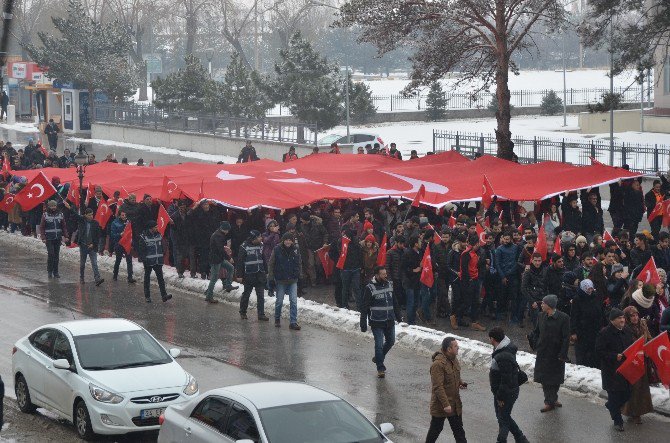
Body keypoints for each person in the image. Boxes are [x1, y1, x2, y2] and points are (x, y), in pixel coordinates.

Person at [596, 308, 636, 432]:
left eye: (623, 318)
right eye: (619, 318)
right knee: (614, 395)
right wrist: (614, 356)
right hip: (611, 371)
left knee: (627, 394)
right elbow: (599, 351)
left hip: (625, 370)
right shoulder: (604, 333)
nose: (623, 320)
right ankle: (618, 421)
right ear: (612, 320)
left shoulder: (627, 331)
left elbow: (632, 346)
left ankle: (611, 405)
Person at [488, 327, 530, 443]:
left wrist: (500, 397)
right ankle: (521, 439)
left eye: (490, 338)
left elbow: (505, 380)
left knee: (503, 419)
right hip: (507, 391)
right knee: (503, 416)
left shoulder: (502, 356)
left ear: (493, 339)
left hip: (506, 393)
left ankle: (505, 440)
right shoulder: (504, 349)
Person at [360, 266, 402, 378]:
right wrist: (363, 322)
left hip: (389, 320)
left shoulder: (389, 284)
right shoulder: (370, 288)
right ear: (377, 275)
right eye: (383, 274)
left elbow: (395, 301)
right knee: (378, 345)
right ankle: (380, 368)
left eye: (385, 273)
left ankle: (378, 357)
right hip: (377, 321)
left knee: (391, 341)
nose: (385, 276)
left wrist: (398, 316)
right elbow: (364, 307)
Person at [532, 294, 570, 412]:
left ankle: (552, 398)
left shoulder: (564, 318)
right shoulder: (540, 316)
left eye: (543, 303)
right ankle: (549, 401)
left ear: (549, 305)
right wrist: (533, 341)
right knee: (544, 378)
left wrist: (563, 353)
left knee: (555, 378)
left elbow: (565, 338)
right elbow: (537, 332)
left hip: (556, 353)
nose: (541, 305)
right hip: (543, 352)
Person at [425, 337, 468, 443]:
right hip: (441, 406)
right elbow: (438, 387)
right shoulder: (438, 364)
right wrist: (446, 404)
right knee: (435, 431)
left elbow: (454, 375)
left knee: (459, 433)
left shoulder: (453, 358)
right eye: (455, 346)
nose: (458, 348)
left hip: (455, 404)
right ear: (449, 349)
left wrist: (460, 383)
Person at [621, 306, 653, 424]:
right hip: (632, 361)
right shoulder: (624, 328)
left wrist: (649, 345)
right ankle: (632, 412)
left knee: (642, 388)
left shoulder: (643, 325)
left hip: (643, 360)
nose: (635, 318)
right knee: (633, 388)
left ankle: (640, 411)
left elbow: (648, 338)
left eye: (636, 315)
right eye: (632, 316)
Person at [269, 233, 302, 330]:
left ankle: (293, 322)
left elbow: (299, 262)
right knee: (279, 301)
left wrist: (299, 274)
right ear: (283, 240)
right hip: (281, 280)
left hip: (292, 279)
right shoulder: (277, 249)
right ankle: (277, 318)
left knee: (293, 301)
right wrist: (271, 278)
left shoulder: (296, 249)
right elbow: (271, 264)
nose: (288, 242)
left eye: (290, 240)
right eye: (286, 240)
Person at [235, 230, 269, 321]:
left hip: (260, 273)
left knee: (261, 295)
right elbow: (240, 261)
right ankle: (243, 312)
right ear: (254, 238)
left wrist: (266, 271)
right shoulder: (244, 246)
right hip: (249, 274)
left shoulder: (261, 245)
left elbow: (264, 258)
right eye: (259, 237)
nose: (261, 238)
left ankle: (261, 314)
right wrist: (239, 275)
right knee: (246, 294)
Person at [569, 279, 602, 368]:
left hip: (595, 330)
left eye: (591, 289)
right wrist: (573, 331)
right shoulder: (577, 299)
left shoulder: (595, 297)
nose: (590, 291)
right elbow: (574, 316)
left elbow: (600, 312)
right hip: (582, 331)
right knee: (583, 354)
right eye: (588, 289)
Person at [137, 220, 172, 303]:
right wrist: (144, 259)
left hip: (158, 261)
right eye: (155, 227)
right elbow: (141, 250)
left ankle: (164, 295)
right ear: (151, 228)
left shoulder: (159, 234)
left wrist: (163, 252)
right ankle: (147, 296)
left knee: (160, 279)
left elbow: (163, 243)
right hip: (148, 261)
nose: (157, 228)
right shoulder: (144, 237)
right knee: (147, 279)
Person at [459, 235, 486, 331]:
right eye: (477, 243)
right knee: (467, 302)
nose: (479, 245)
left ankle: (474, 321)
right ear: (474, 244)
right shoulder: (466, 253)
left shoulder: (474, 253)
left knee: (475, 301)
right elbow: (464, 269)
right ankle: (456, 316)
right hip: (469, 281)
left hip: (475, 279)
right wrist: (469, 279)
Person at [205, 221, 237, 303]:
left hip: (218, 258)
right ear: (225, 229)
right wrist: (229, 258)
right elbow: (220, 250)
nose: (228, 232)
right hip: (216, 259)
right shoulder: (219, 236)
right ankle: (209, 296)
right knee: (214, 278)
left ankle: (228, 285)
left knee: (230, 268)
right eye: (228, 230)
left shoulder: (218, 234)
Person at [40, 199, 69, 278]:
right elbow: (42, 227)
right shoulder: (45, 215)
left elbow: (64, 226)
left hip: (57, 238)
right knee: (51, 254)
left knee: (56, 256)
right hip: (49, 238)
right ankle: (49, 271)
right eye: (52, 206)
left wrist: (66, 236)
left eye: (54, 206)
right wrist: (43, 237)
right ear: (49, 206)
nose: (53, 207)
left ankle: (56, 272)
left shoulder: (60, 214)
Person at [76, 208, 104, 286]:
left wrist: (94, 244)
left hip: (92, 246)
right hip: (83, 245)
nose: (91, 216)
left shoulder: (95, 223)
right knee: (82, 263)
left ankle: (97, 278)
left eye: (92, 214)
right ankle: (82, 277)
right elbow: (76, 215)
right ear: (85, 215)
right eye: (89, 215)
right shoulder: (82, 221)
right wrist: (69, 207)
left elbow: (97, 236)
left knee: (94, 263)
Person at [109, 210, 136, 283]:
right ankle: (115, 275)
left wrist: (132, 243)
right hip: (119, 244)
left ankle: (130, 277)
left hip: (127, 244)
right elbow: (113, 235)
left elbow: (131, 234)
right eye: (122, 215)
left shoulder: (128, 223)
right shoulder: (115, 223)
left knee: (129, 260)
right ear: (119, 216)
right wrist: (120, 234)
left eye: (125, 215)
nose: (124, 217)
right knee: (118, 260)